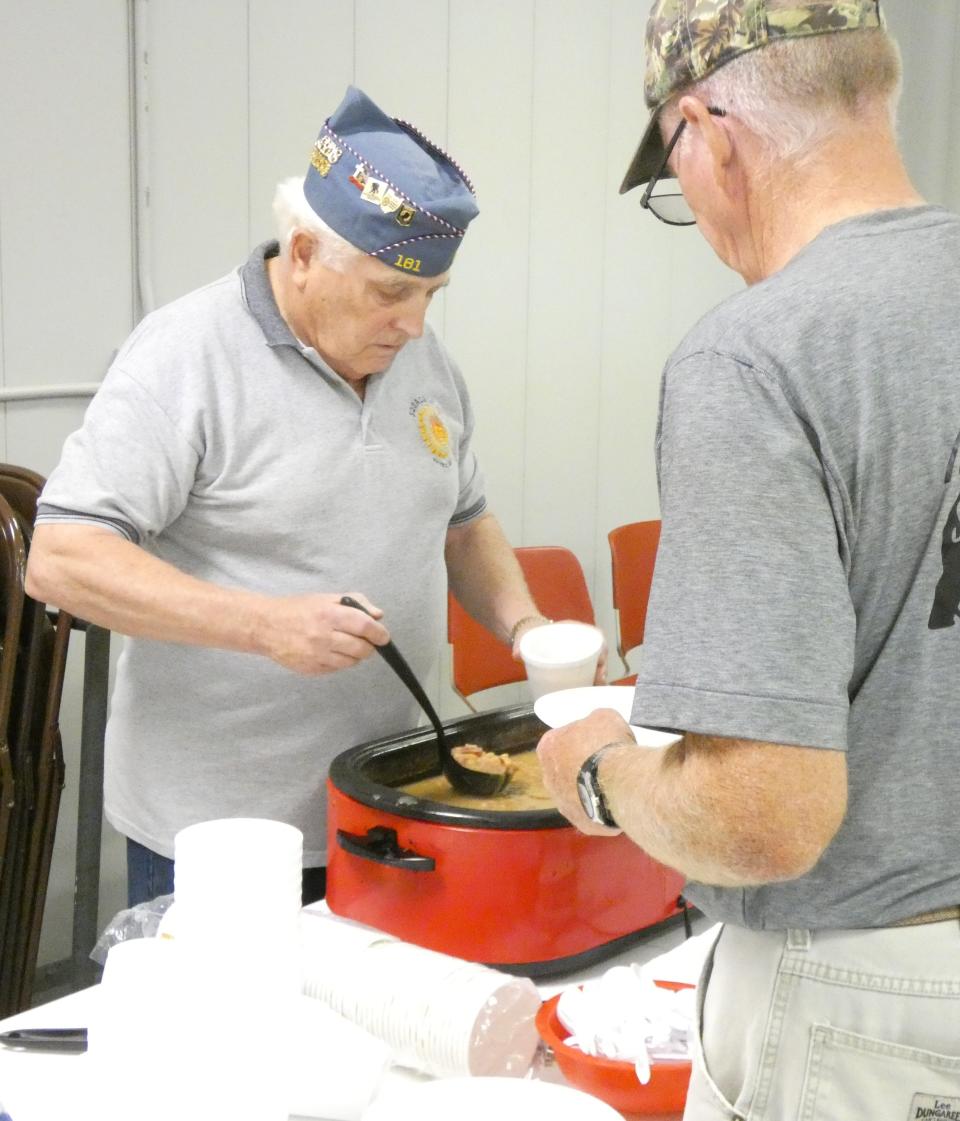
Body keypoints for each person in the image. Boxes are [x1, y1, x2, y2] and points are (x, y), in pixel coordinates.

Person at [537, 1, 960, 1116]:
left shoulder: (757, 358)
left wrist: (598, 770)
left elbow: (765, 814)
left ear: (709, 131)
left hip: (871, 998)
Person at [26, 86, 556, 908]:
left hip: (396, 802)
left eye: (431, 295)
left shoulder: (419, 358)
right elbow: (61, 560)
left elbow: (462, 521)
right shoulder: (185, 357)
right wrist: (264, 624)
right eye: (390, 292)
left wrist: (527, 628)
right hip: (222, 836)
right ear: (303, 253)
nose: (414, 324)